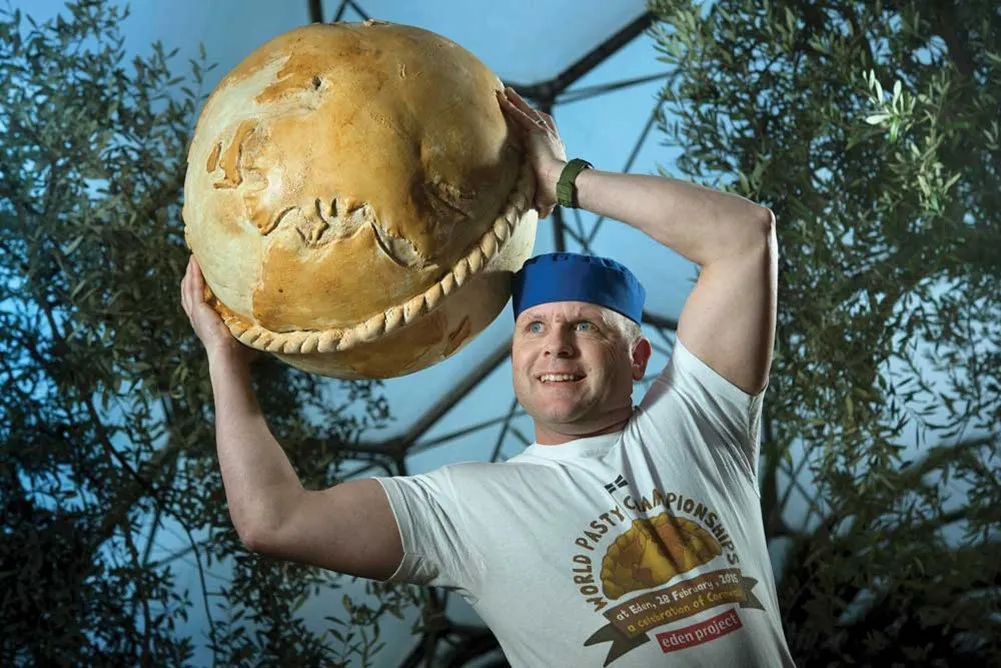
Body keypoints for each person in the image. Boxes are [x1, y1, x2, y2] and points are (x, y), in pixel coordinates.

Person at [180, 86, 793, 666]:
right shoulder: (463, 508)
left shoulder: (702, 424)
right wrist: (224, 357)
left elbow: (744, 236)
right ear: (513, 358)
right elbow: (273, 520)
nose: (554, 346)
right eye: (533, 328)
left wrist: (562, 179)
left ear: (636, 358)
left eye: (586, 327)